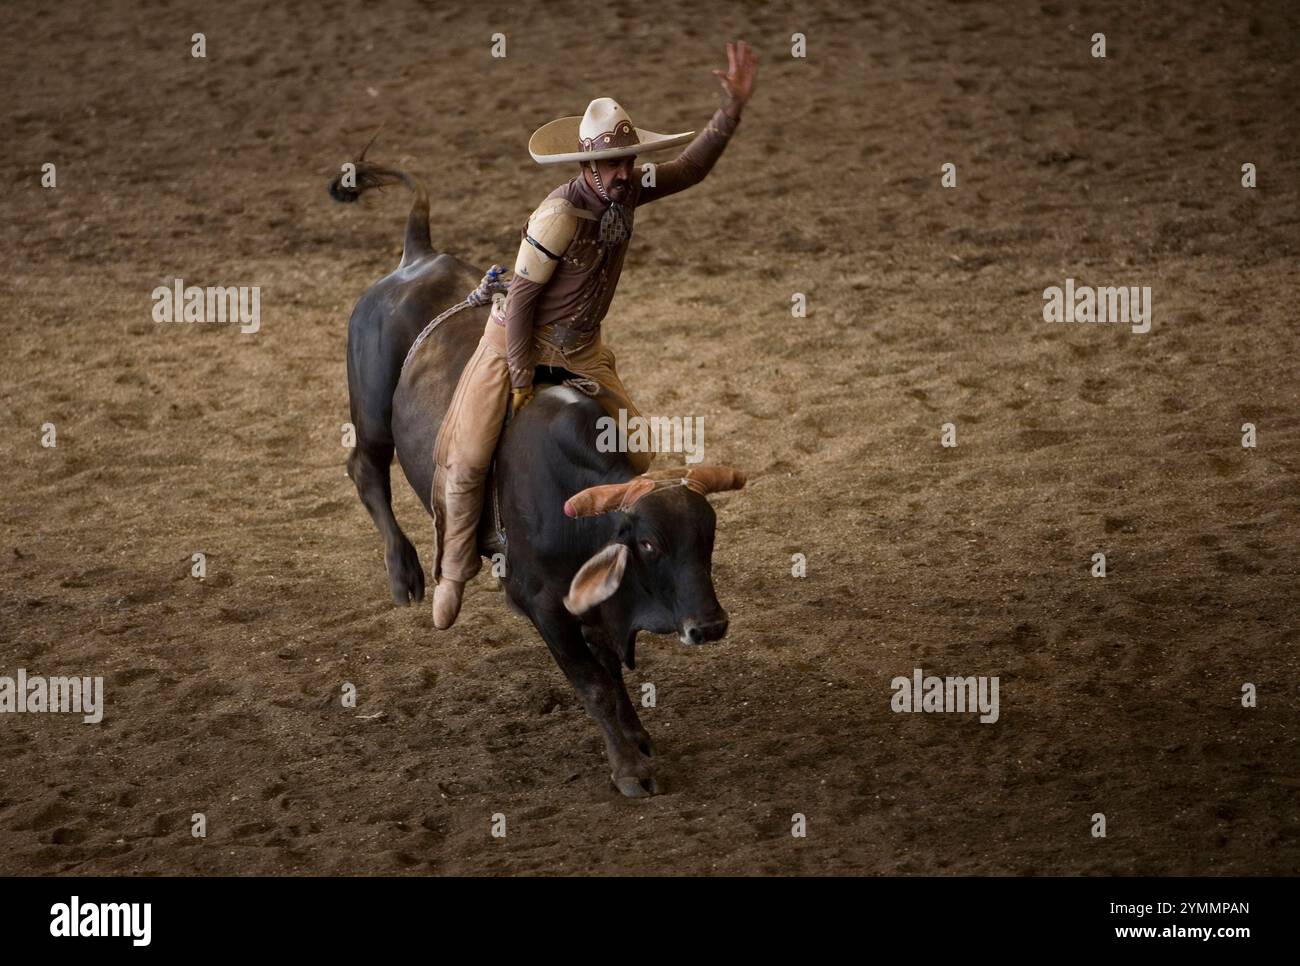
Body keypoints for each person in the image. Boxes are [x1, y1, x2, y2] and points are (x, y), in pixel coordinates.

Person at [430, 40, 759, 629]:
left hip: (583, 348)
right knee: (469, 456)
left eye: (628, 162)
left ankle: (618, 552)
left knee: (635, 449)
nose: (623, 172)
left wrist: (729, 112)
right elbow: (525, 298)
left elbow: (692, 168)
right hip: (518, 339)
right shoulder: (556, 216)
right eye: (612, 164)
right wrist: (521, 376)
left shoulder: (628, 189)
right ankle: (455, 568)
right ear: (585, 167)